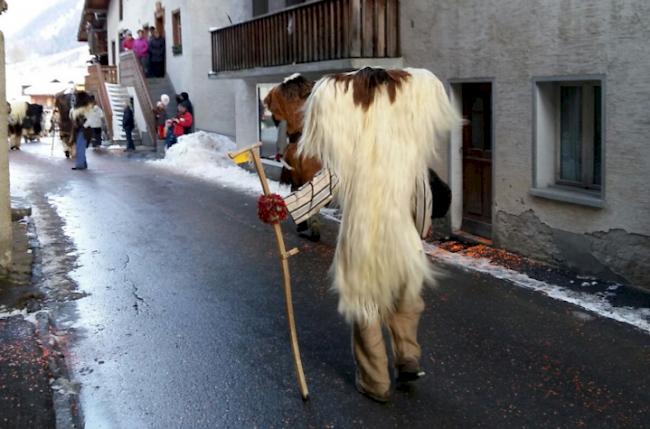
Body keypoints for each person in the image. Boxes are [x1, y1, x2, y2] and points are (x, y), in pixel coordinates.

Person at [282, 67, 461, 403]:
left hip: (363, 239)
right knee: (405, 298)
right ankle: (407, 354)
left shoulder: (353, 149)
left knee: (366, 306)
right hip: (402, 237)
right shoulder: (406, 147)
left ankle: (376, 381)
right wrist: (420, 229)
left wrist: (286, 207)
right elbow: (420, 194)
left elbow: (325, 184)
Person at [70, 91, 94, 170]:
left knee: (80, 147)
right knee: (79, 146)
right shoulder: (78, 110)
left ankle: (80, 164)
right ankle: (83, 163)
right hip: (79, 130)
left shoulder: (85, 110)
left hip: (83, 131)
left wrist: (83, 126)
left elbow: (90, 120)